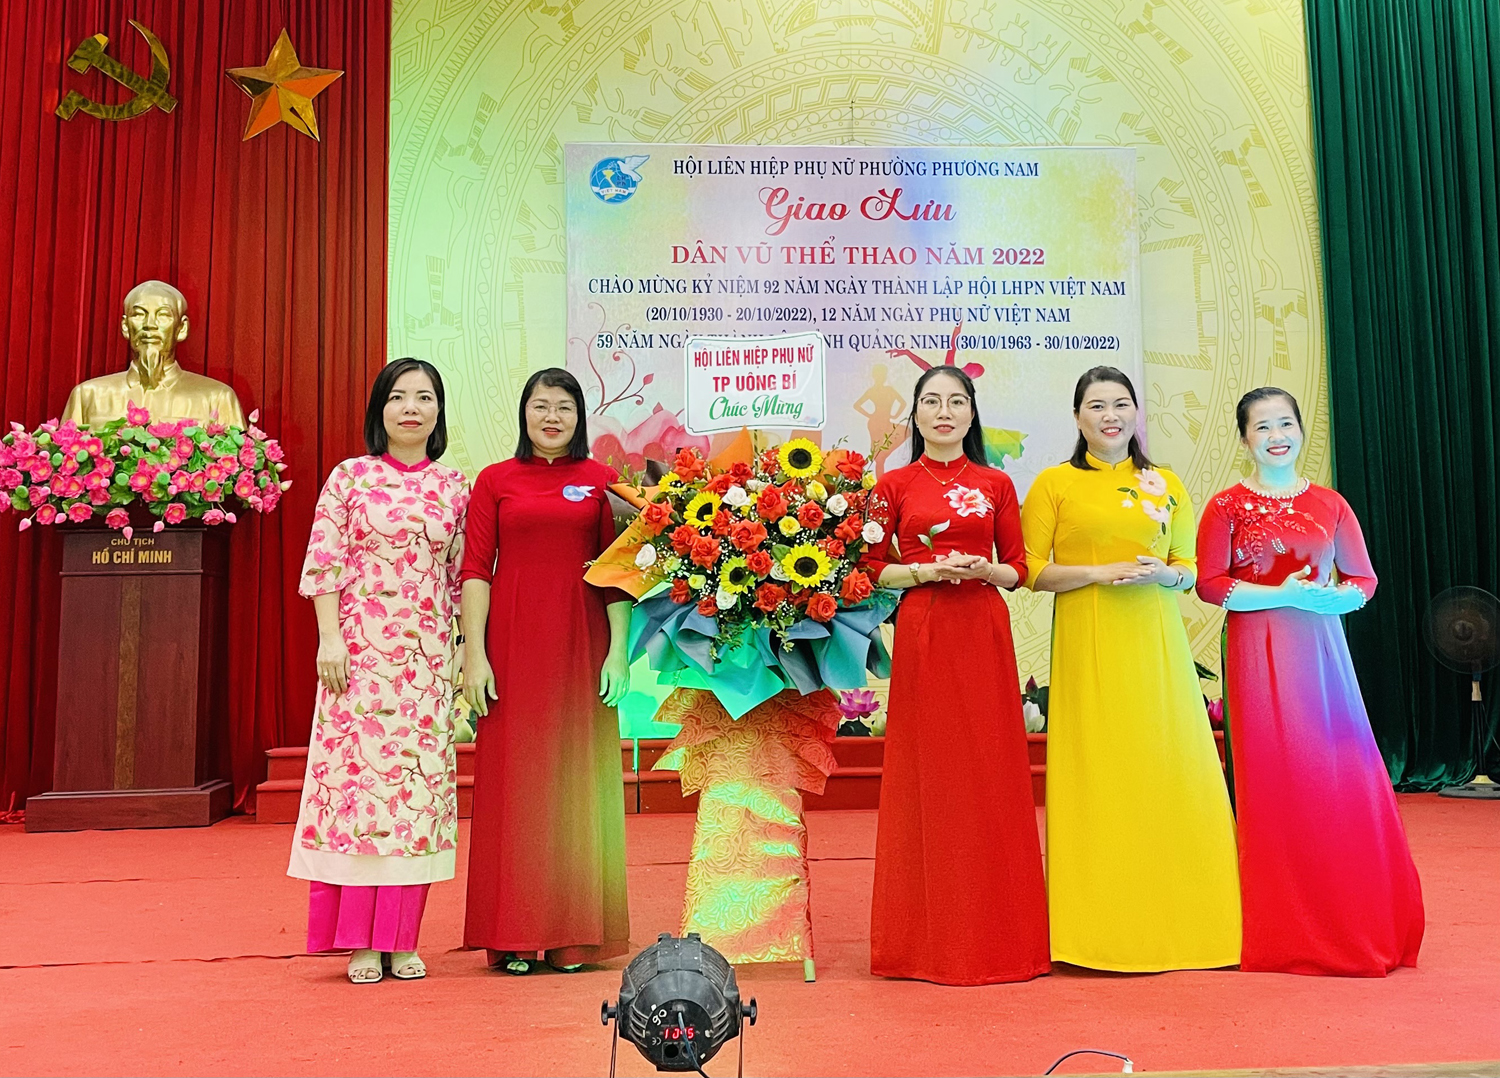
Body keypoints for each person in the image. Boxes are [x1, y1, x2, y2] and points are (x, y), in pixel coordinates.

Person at [1196, 387, 1424, 975]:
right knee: (1274, 774)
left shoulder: (1330, 503)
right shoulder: (1225, 506)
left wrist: (1334, 600)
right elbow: (1210, 585)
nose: (1276, 436)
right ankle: (1283, 923)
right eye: (1262, 427)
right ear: (1243, 438)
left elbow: (1364, 580)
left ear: (1301, 430)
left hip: (1322, 650)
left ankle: (1350, 908)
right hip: (1256, 648)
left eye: (1285, 424)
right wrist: (1280, 593)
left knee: (1334, 771)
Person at [1020, 365, 1240, 971]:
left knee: (1170, 763)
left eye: (1120, 403)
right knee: (1100, 770)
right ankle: (1096, 931)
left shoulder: (1165, 483)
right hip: (1089, 639)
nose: (1110, 415)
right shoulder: (1055, 484)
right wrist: (1097, 573)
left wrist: (1166, 575)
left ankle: (1196, 923)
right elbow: (1030, 570)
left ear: (1136, 412)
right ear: (1077, 417)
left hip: (1156, 640)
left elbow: (1189, 568)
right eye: (1096, 405)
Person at [860, 367, 1050, 985]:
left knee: (990, 766)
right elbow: (868, 569)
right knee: (930, 769)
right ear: (915, 415)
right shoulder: (892, 485)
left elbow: (1018, 567)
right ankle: (921, 943)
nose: (944, 411)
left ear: (972, 414)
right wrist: (923, 573)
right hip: (926, 627)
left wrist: (986, 571)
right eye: (932, 401)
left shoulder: (996, 483)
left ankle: (1003, 937)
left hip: (982, 626)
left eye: (957, 401)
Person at [288, 358, 469, 984]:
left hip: (425, 665)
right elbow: (324, 563)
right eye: (398, 397)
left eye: (424, 397)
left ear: (439, 412)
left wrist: (460, 653)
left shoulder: (455, 487)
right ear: (379, 409)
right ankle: (359, 943)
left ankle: (402, 939)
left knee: (415, 800)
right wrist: (329, 640)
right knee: (357, 797)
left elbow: (461, 580)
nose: (411, 408)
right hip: (357, 661)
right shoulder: (350, 477)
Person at [460, 367, 633, 973]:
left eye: (564, 406)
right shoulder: (495, 480)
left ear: (579, 416)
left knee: (577, 783)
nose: (551, 416)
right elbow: (475, 569)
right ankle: (512, 934)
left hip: (581, 643)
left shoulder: (603, 482)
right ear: (524, 413)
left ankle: (574, 935)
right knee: (516, 782)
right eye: (540, 405)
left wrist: (618, 652)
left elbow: (618, 575)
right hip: (511, 644)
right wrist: (473, 652)